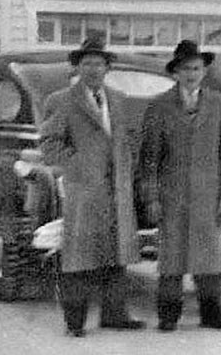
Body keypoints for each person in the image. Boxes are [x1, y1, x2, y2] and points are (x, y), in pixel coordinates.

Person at [38, 36, 147, 338]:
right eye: (87, 63)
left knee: (117, 254)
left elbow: (128, 138)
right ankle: (75, 322)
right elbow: (49, 144)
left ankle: (115, 315)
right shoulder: (61, 100)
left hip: (117, 191)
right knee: (79, 258)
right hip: (84, 191)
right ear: (78, 66)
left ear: (107, 67)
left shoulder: (118, 98)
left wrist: (127, 166)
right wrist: (77, 167)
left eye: (99, 63)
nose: (93, 69)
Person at [140, 40, 221, 333]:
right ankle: (168, 315)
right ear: (176, 73)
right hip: (173, 195)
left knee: (208, 256)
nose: (191, 74)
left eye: (196, 68)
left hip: (207, 195)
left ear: (204, 70)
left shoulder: (219, 104)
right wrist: (152, 197)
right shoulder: (159, 106)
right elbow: (149, 159)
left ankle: (211, 313)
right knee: (172, 258)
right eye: (185, 69)